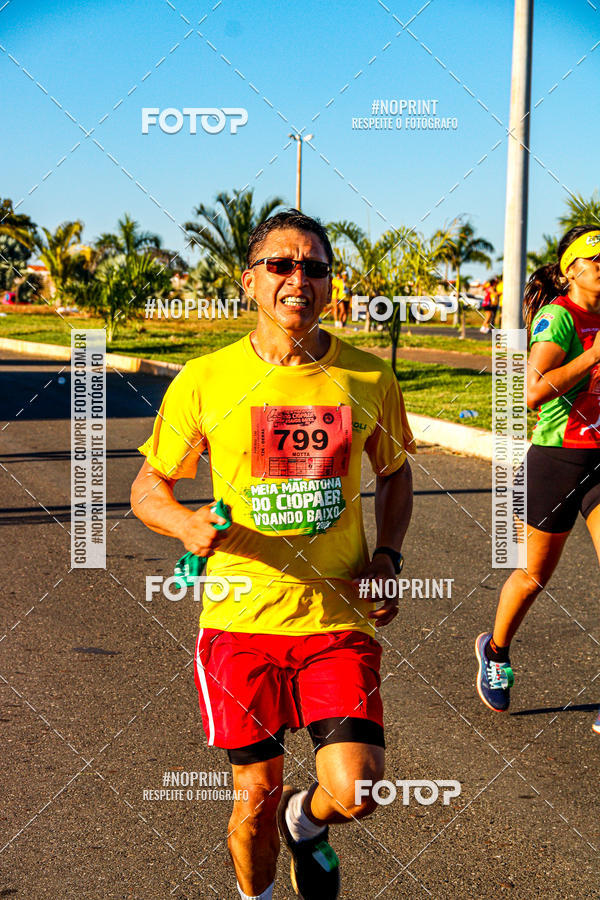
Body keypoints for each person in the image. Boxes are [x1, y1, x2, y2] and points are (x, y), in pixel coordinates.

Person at [131, 209, 415, 899]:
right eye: (282, 265)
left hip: (335, 620)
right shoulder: (206, 378)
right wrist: (183, 524)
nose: (299, 279)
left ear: (329, 284)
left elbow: (396, 471)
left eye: (314, 267)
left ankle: (307, 819)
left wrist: (388, 557)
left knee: (357, 789)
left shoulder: (368, 377)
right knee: (253, 797)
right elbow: (147, 487)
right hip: (238, 626)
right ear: (250, 280)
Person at [475, 225, 600, 736]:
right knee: (532, 576)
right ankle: (496, 649)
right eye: (597, 257)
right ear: (572, 269)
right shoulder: (558, 318)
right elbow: (532, 392)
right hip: (557, 460)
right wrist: (593, 355)